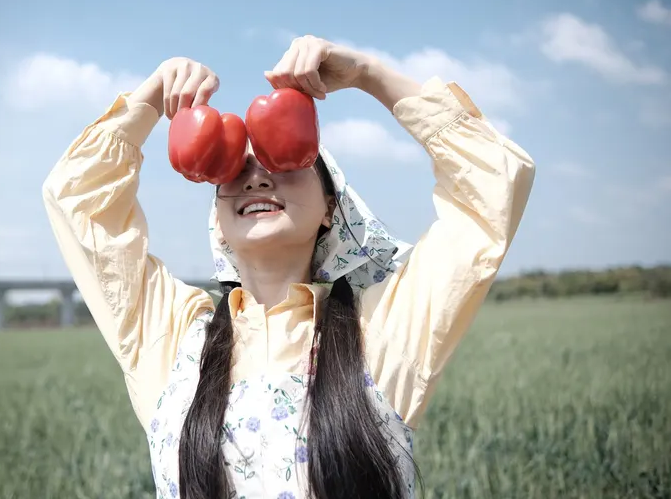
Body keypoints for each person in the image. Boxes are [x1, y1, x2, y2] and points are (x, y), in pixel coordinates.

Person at [42, 35, 535, 499]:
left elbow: (493, 187)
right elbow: (77, 201)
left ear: (330, 207)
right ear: (217, 216)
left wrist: (368, 75)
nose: (256, 178)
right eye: (234, 170)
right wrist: (151, 100)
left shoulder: (383, 330)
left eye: (285, 162)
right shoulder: (171, 337)